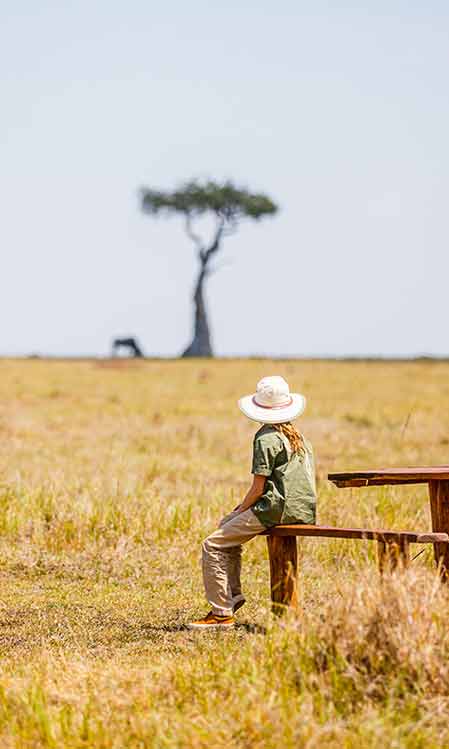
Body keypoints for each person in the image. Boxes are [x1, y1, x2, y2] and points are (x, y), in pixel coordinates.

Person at [187, 375, 317, 630]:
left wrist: (238, 509)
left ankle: (221, 612)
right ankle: (230, 598)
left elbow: (258, 488)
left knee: (212, 543)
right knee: (228, 536)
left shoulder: (265, 437)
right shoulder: (298, 436)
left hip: (274, 509)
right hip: (302, 509)